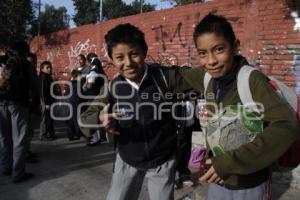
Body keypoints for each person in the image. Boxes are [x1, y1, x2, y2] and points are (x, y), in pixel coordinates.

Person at [179, 14, 300, 200]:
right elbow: (178, 76)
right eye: (203, 53)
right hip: (217, 178)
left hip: (249, 183)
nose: (211, 61)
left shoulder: (252, 80)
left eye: (219, 49)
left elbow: (286, 125)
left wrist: (229, 163)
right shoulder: (208, 77)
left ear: (235, 46)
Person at [80, 23, 197, 200]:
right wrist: (100, 117)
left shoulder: (165, 78)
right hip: (127, 159)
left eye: (134, 54)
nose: (128, 63)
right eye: (119, 57)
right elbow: (84, 119)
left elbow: (205, 77)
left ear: (144, 51)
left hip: (162, 161)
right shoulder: (112, 88)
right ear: (111, 59)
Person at [0, 41, 36, 183]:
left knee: (4, 138)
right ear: (25, 51)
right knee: (19, 139)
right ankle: (18, 173)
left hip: (1, 102)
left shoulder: (3, 61)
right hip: (19, 104)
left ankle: (5, 168)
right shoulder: (26, 64)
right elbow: (35, 86)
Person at [39, 61, 55, 141]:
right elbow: (43, 91)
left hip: (50, 101)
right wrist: (46, 103)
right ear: (42, 69)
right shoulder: (44, 78)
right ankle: (43, 135)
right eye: (47, 67)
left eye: (50, 67)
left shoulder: (48, 77)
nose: (49, 69)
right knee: (45, 119)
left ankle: (50, 133)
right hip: (46, 102)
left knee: (49, 118)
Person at [66, 69, 82, 141]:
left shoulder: (70, 83)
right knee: (76, 119)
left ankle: (70, 134)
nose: (81, 77)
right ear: (76, 76)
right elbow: (79, 94)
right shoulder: (77, 84)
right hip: (76, 102)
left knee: (71, 119)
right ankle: (77, 133)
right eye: (80, 76)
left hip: (71, 102)